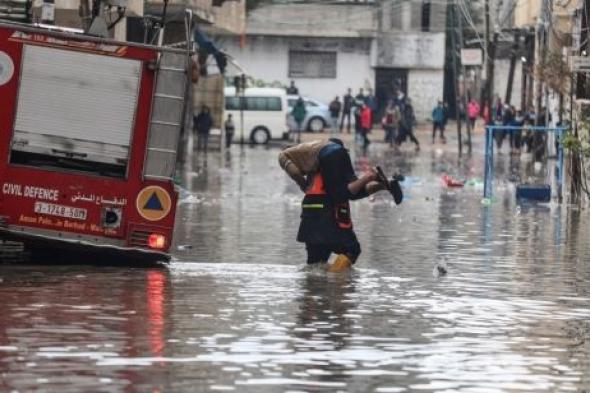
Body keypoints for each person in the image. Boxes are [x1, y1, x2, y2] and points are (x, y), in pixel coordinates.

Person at [278, 138, 403, 270]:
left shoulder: (313, 170)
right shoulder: (331, 169)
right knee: (352, 251)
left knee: (315, 265)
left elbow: (353, 193)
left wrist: (381, 187)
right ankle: (335, 281)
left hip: (309, 221)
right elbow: (345, 194)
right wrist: (368, 178)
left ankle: (316, 287)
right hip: (329, 218)